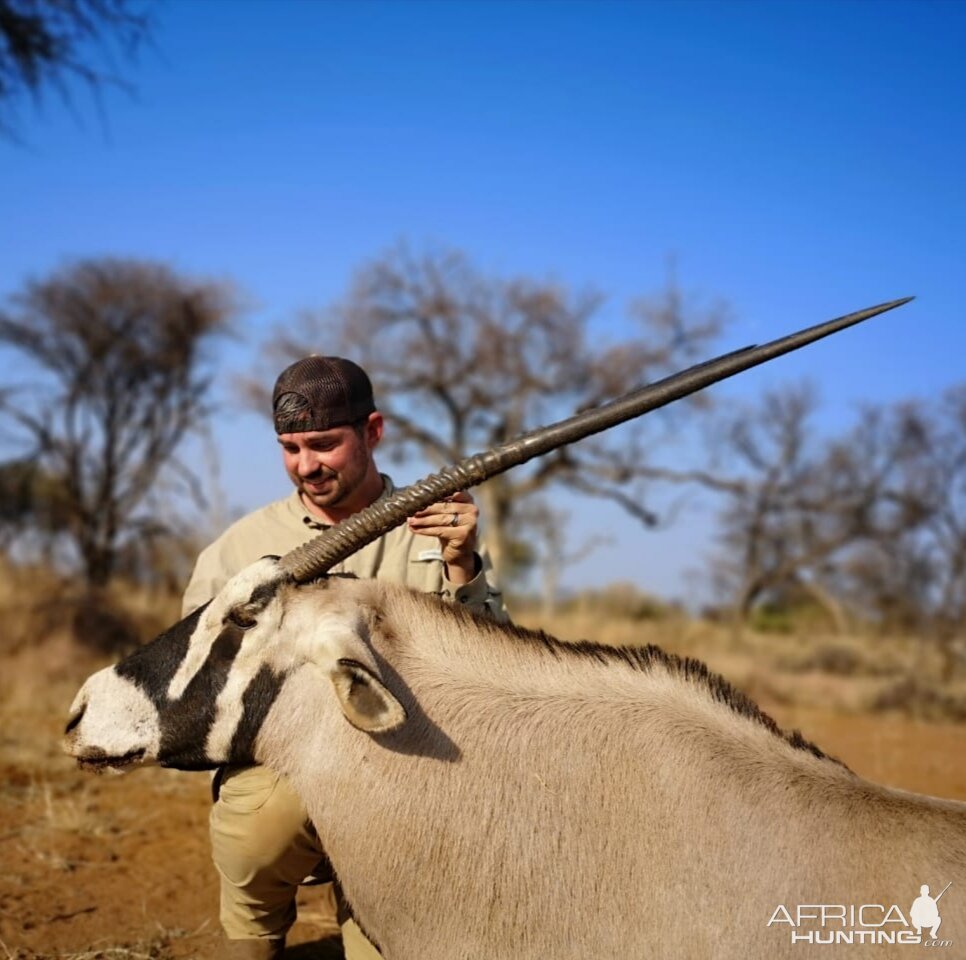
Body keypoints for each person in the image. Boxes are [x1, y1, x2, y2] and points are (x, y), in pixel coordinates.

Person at [182, 356, 507, 960]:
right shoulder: (237, 550)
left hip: (409, 775)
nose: (307, 466)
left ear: (374, 431)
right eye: (291, 448)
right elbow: (197, 685)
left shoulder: (438, 529)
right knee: (258, 828)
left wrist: (463, 566)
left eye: (325, 444)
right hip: (285, 772)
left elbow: (494, 679)